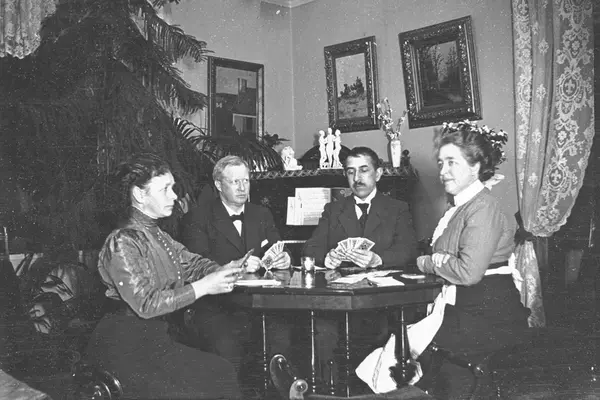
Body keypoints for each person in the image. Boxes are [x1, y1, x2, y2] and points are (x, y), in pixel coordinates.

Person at [84, 153, 244, 400]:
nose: (174, 196)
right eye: (165, 189)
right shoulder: (122, 241)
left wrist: (223, 270)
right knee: (201, 387)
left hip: (154, 342)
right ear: (139, 195)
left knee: (221, 371)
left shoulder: (158, 235)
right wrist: (204, 286)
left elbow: (193, 264)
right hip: (124, 347)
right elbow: (147, 304)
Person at [414, 122, 530, 398]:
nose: (442, 171)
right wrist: (441, 260)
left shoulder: (483, 207)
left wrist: (427, 262)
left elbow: (468, 273)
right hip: (466, 306)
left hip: (487, 313)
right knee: (405, 349)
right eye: (441, 163)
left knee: (412, 352)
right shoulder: (461, 207)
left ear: (475, 167)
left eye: (451, 162)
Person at [179, 155, 291, 381]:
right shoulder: (197, 217)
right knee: (228, 346)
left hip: (261, 305)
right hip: (217, 306)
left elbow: (277, 247)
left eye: (246, 181)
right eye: (235, 182)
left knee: (283, 339)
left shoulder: (261, 214)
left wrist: (284, 258)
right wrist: (237, 266)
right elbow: (196, 263)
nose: (242, 188)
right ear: (219, 185)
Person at [303, 146, 417, 269]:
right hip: (341, 279)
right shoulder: (333, 210)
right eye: (351, 172)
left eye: (364, 170)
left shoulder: (398, 208)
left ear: (378, 174)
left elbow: (409, 250)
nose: (356, 178)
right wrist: (326, 257)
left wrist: (379, 260)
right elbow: (311, 248)